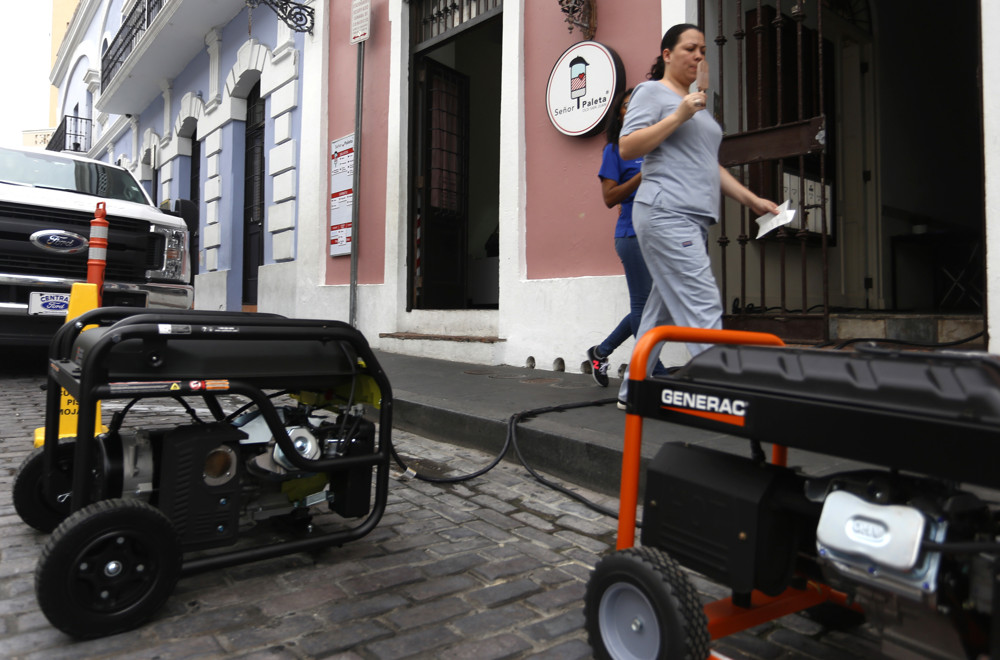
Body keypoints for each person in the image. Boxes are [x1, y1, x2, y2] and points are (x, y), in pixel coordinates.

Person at [616, 23, 779, 406]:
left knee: (660, 310)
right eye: (690, 48)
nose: (699, 56)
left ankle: (631, 392)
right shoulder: (652, 92)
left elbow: (710, 165)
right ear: (667, 54)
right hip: (665, 210)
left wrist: (751, 199)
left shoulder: (698, 104)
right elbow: (627, 146)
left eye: (703, 50)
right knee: (703, 301)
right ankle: (725, 395)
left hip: (691, 215)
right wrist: (678, 115)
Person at [586, 88, 653, 387]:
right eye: (629, 104)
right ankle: (655, 370)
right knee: (643, 305)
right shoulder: (614, 149)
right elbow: (609, 197)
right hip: (631, 235)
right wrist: (643, 175)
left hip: (657, 236)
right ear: (621, 113)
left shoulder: (653, 146)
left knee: (651, 304)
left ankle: (601, 351)